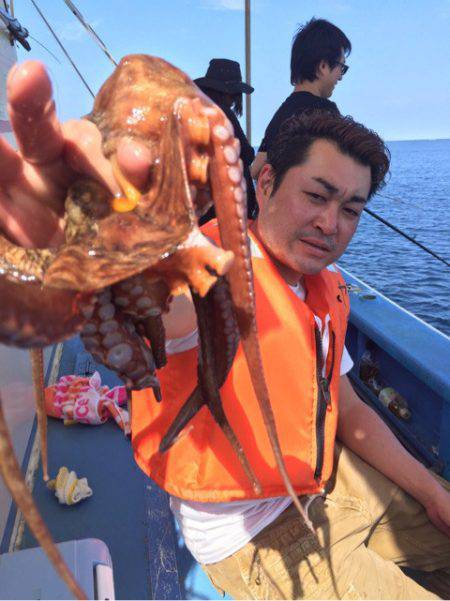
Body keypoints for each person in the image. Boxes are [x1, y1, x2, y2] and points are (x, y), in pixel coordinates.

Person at [2, 62, 450, 600]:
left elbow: (349, 409)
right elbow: (163, 310)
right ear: (264, 181)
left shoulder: (323, 288)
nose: (331, 224)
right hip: (257, 537)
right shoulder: (204, 270)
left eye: (350, 209)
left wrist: (430, 492)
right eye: (316, 195)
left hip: (329, 481)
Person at [251, 18, 351, 180]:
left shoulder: (282, 114)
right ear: (323, 66)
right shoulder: (326, 114)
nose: (340, 76)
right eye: (342, 67)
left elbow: (256, 171)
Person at [194, 58, 258, 220]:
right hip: (225, 210)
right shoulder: (222, 113)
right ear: (231, 92)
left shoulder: (197, 114)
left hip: (203, 207)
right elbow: (246, 153)